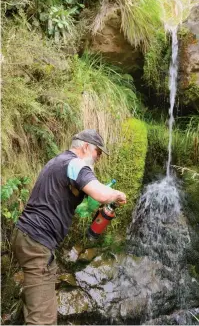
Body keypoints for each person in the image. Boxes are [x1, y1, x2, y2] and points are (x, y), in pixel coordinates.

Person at [12, 129, 127, 325]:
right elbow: (100, 193)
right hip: (37, 241)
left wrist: (90, 205)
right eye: (98, 152)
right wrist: (116, 194)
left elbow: (70, 203)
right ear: (85, 146)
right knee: (43, 320)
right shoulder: (75, 163)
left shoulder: (58, 162)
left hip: (28, 236)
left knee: (36, 304)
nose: (99, 158)